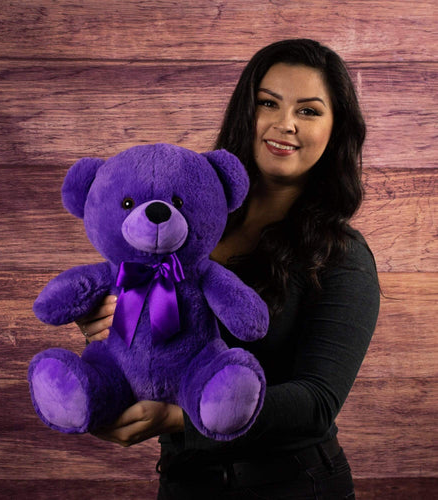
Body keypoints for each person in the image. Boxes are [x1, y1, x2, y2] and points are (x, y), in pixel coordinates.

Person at [76, 39, 380, 499]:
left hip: (293, 486)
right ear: (246, 112)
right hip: (184, 483)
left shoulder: (341, 255)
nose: (285, 124)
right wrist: (104, 318)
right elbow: (151, 333)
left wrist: (181, 416)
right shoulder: (185, 228)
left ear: (336, 129)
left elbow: (316, 402)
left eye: (309, 111)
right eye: (268, 103)